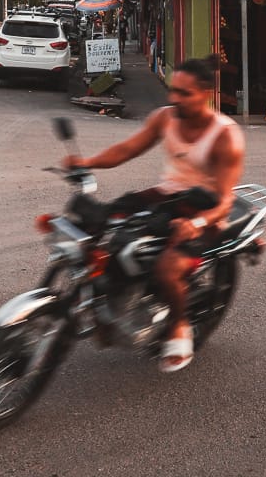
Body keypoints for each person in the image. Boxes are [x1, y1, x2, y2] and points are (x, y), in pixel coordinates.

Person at [63, 56, 245, 374]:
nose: (174, 99)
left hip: (204, 211)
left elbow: (226, 202)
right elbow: (127, 149)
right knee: (100, 227)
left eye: (184, 93)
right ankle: (104, 305)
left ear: (205, 93)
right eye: (173, 90)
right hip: (166, 198)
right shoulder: (165, 118)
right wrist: (86, 162)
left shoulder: (225, 136)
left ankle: (179, 326)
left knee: (167, 268)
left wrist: (197, 224)